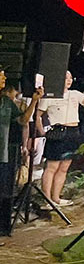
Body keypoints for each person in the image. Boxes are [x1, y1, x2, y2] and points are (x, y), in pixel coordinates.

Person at [37, 70, 84, 207]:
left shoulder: (75, 94)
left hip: (73, 132)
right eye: (65, 78)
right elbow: (38, 114)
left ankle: (56, 197)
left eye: (70, 78)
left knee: (64, 167)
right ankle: (47, 199)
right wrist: (42, 132)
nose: (69, 80)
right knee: (52, 166)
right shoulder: (50, 96)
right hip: (58, 131)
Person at [0, 71, 41, 236]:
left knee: (4, 190)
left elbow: (22, 120)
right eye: (1, 75)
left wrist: (34, 101)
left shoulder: (5, 102)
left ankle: (3, 228)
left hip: (3, 151)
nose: (4, 78)